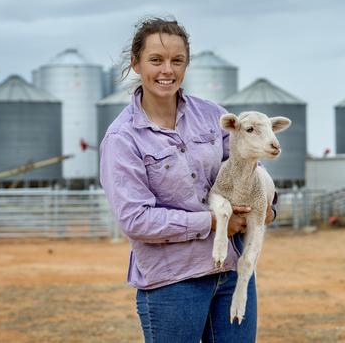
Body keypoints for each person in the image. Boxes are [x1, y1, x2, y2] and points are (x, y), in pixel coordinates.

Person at [99, 17, 276, 342]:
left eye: (176, 60)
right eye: (156, 60)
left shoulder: (212, 116)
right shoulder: (123, 139)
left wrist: (267, 204)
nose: (167, 70)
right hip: (173, 282)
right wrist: (210, 221)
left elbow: (248, 163)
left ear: (186, 64)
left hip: (232, 274)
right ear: (136, 63)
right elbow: (136, 220)